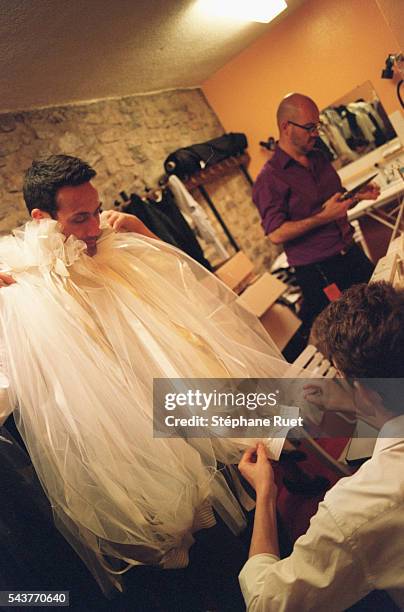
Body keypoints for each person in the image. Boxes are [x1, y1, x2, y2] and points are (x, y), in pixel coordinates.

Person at [0, 154, 290, 595]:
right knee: (202, 553)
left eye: (96, 211)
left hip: (181, 400)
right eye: (80, 218)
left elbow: (188, 304)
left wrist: (146, 234)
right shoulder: (22, 286)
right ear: (42, 218)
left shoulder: (111, 242)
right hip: (132, 438)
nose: (94, 227)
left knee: (256, 494)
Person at [238, 281, 404, 611]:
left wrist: (266, 494)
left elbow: (265, 603)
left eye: (335, 373)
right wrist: (350, 399)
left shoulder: (360, 507)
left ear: (367, 392)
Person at [253, 93, 380, 328]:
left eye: (318, 126)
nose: (316, 133)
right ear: (286, 127)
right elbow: (276, 234)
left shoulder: (319, 157)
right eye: (310, 127)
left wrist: (357, 196)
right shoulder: (269, 179)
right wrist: (324, 217)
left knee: (385, 311)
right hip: (320, 270)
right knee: (353, 333)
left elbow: (336, 200)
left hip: (351, 252)